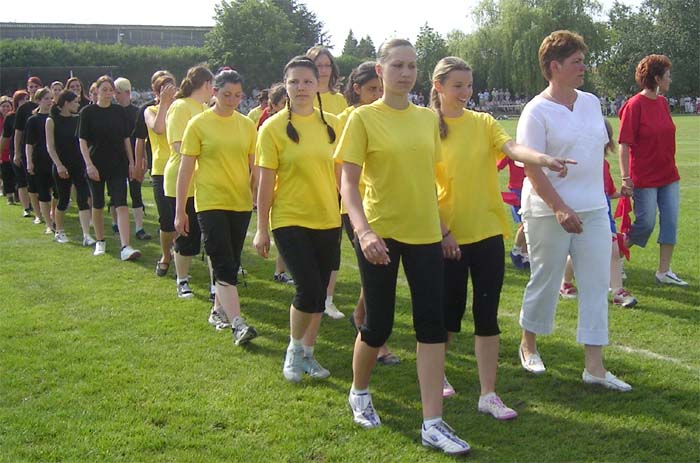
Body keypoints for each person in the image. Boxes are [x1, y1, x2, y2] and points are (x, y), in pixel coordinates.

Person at [336, 39, 470, 455]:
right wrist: (363, 232)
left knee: (432, 325)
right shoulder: (361, 118)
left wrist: (443, 230)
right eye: (397, 65)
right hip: (380, 233)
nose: (406, 73)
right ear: (380, 71)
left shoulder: (427, 119)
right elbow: (348, 184)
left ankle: (433, 422)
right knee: (378, 324)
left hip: (424, 233)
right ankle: (359, 392)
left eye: (412, 66)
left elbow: (425, 181)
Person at [517, 30, 631, 392]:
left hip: (594, 208)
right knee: (546, 279)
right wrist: (559, 207)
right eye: (577, 61)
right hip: (547, 211)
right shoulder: (535, 111)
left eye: (583, 60)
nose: (584, 67)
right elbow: (531, 168)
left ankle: (595, 367)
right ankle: (528, 344)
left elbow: (597, 150)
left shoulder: (591, 102)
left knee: (596, 283)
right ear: (555, 66)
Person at [254, 56, 341, 383]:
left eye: (307, 81)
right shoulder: (272, 128)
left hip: (328, 219)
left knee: (319, 294)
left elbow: (343, 177)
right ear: (285, 85)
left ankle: (308, 353)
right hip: (290, 218)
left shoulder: (333, 124)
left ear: (317, 84)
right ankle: (294, 349)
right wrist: (261, 229)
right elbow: (265, 182)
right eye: (294, 82)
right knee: (308, 289)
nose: (301, 87)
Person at [175, 69, 259, 345]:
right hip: (210, 202)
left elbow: (254, 166)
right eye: (226, 95)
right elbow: (186, 171)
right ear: (214, 92)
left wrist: (256, 194)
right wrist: (179, 210)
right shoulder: (198, 124)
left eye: (237, 95)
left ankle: (217, 311)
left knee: (232, 261)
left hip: (240, 202)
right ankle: (238, 324)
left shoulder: (246, 125)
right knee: (222, 260)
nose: (232, 100)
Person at [336, 61, 399, 366]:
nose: (377, 94)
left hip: (385, 204)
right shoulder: (348, 119)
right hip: (356, 208)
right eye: (372, 89)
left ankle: (361, 315)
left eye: (380, 88)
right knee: (375, 270)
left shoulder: (387, 115)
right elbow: (340, 170)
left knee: (378, 272)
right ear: (357, 89)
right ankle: (378, 340)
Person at [619, 54, 687, 286]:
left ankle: (664, 271)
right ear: (657, 78)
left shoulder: (663, 103)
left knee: (670, 223)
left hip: (669, 175)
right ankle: (613, 257)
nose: (670, 79)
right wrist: (625, 177)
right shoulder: (634, 105)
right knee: (645, 224)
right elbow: (624, 144)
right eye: (667, 75)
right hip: (644, 178)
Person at [78, 75, 141, 261]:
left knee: (121, 203)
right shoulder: (87, 112)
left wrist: (131, 163)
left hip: (118, 164)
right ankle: (100, 241)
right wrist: (89, 165)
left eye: (110, 90)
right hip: (96, 164)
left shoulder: (119, 111)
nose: (107, 93)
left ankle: (125, 246)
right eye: (104, 89)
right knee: (97, 203)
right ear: (96, 91)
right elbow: (82, 141)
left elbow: (126, 139)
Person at [307, 45, 348, 319]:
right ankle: (310, 291)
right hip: (307, 179)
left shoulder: (339, 101)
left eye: (327, 65)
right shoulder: (302, 96)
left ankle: (328, 298)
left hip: (333, 180)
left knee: (333, 241)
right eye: (318, 65)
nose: (323, 70)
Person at [164, 65, 213, 298]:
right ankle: (182, 280)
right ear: (206, 84)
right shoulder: (180, 106)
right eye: (213, 85)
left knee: (210, 236)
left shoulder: (204, 108)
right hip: (182, 179)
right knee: (187, 235)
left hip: (204, 181)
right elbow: (177, 145)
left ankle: (216, 285)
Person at [253, 83, 294, 285]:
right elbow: (262, 169)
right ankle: (280, 270)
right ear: (275, 105)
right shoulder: (268, 125)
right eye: (284, 102)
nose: (288, 106)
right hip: (278, 191)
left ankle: (280, 271)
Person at [45, 90, 94, 245]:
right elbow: (50, 146)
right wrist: (59, 165)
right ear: (66, 103)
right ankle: (59, 231)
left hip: (79, 165)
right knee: (63, 199)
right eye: (75, 102)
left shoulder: (78, 119)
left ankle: (86, 234)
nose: (78, 104)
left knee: (83, 198)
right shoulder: (51, 120)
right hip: (62, 165)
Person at [142, 73, 178, 277]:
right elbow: (158, 128)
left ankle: (180, 256)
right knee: (166, 219)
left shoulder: (180, 109)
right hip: (161, 170)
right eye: (164, 89)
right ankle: (165, 255)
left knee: (182, 218)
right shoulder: (151, 110)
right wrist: (164, 103)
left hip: (182, 168)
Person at [113, 77, 151, 241]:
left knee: (136, 191)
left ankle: (139, 227)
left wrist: (142, 160)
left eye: (118, 93)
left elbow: (142, 138)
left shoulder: (137, 112)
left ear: (127, 93)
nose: (115, 96)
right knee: (116, 192)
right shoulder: (112, 112)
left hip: (134, 156)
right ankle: (116, 223)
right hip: (116, 157)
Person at [24, 87, 56, 235]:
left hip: (55, 159)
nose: (49, 101)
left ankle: (53, 215)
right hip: (40, 159)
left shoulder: (55, 117)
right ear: (38, 101)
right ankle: (48, 224)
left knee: (58, 192)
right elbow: (29, 143)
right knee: (43, 193)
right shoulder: (33, 120)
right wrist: (29, 162)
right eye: (46, 98)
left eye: (51, 98)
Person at [14, 76, 43, 222]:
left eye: (36, 86)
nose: (34, 89)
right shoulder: (23, 109)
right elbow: (18, 132)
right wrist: (17, 152)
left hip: (43, 149)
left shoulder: (47, 105)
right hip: (28, 148)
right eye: (31, 86)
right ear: (27, 89)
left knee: (45, 182)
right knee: (30, 181)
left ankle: (45, 209)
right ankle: (34, 211)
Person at [0, 96, 17, 205]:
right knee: (6, 173)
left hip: (13, 148)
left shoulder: (13, 118)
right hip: (3, 150)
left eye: (8, 106)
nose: (5, 108)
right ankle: (10, 195)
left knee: (15, 173)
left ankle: (17, 193)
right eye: (3, 106)